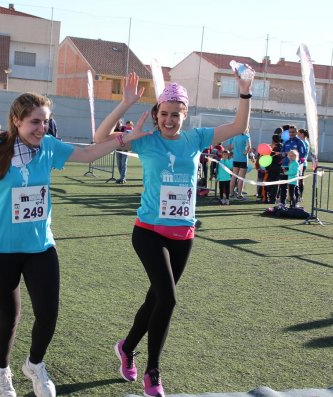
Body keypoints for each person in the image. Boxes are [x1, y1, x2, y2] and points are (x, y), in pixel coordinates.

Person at [0, 73, 149, 397]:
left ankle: (35, 365)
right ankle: (1, 372)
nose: (42, 128)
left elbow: (88, 154)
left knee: (48, 315)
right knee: (9, 317)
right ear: (17, 120)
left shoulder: (49, 147)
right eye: (35, 122)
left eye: (45, 122)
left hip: (40, 247)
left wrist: (124, 131)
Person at [93, 69, 254, 397]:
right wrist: (125, 104)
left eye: (175, 115)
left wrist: (244, 92)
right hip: (148, 232)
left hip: (183, 234)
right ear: (156, 115)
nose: (169, 120)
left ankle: (127, 347)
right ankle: (153, 371)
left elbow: (238, 127)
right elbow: (99, 139)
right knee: (168, 298)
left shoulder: (196, 139)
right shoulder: (145, 140)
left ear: (185, 115)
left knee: (156, 298)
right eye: (164, 114)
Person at [279, 126, 306, 205]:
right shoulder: (286, 142)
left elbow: (303, 154)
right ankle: (282, 202)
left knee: (294, 186)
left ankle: (295, 203)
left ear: (296, 133)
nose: (291, 134)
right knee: (283, 185)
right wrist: (283, 154)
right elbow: (282, 153)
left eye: (293, 132)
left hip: (294, 167)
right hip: (285, 166)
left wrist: (295, 159)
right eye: (290, 132)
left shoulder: (300, 142)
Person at [226, 129, 251, 200]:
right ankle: (239, 194)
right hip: (243, 159)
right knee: (241, 178)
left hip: (235, 158)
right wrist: (245, 153)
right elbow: (249, 146)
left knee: (234, 177)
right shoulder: (246, 136)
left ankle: (231, 193)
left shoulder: (235, 136)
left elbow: (232, 146)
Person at [297, 128, 310, 201]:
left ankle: (300, 196)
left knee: (300, 180)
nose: (298, 135)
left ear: (302, 134)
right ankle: (298, 195)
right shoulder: (304, 141)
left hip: (302, 163)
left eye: (299, 134)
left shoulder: (304, 142)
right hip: (301, 163)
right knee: (299, 179)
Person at [113, 119, 128, 184]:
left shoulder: (124, 128)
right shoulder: (114, 129)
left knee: (123, 163)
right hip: (118, 148)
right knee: (119, 164)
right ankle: (121, 177)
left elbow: (126, 135)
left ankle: (123, 178)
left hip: (125, 148)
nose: (117, 122)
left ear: (121, 122)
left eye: (118, 121)